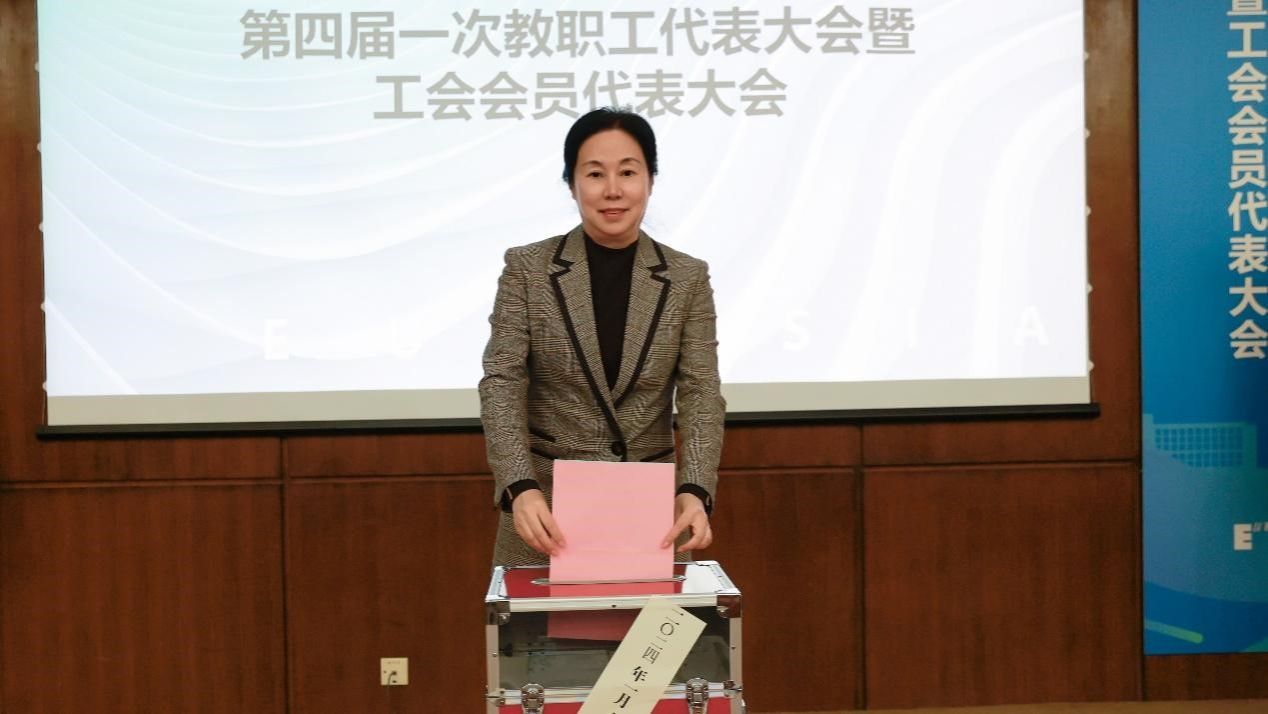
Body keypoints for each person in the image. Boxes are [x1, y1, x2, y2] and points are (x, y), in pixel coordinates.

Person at [479, 107, 725, 566]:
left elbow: (701, 392)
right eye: (595, 174)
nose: (613, 189)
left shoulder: (687, 277)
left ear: (650, 180)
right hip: (544, 514)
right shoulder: (527, 269)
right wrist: (519, 486)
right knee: (536, 618)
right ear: (572, 184)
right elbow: (502, 382)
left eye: (628, 172)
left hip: (651, 515)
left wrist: (694, 489)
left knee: (654, 619)